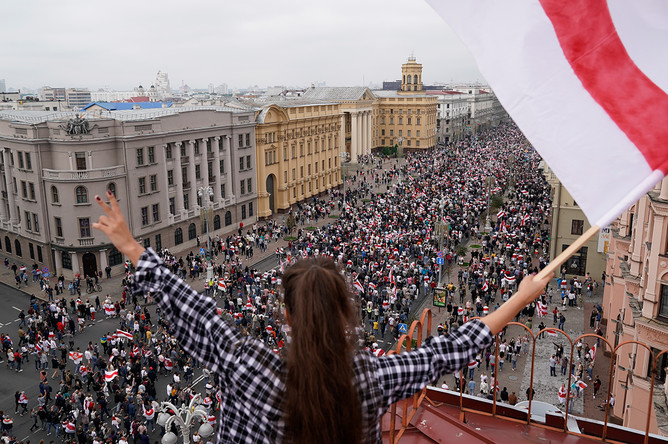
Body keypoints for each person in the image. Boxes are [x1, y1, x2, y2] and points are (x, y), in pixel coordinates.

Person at [92, 191, 552, 443]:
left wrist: (131, 246)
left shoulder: (246, 362)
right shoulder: (369, 376)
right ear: (345, 311)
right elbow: (448, 351)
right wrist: (519, 297)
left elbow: (191, 308)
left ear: (287, 316)